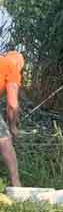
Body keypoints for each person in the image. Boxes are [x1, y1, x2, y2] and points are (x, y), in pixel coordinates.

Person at [0, 50, 23, 188]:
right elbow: (13, 105)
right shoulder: (12, 67)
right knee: (4, 141)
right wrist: (13, 127)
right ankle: (16, 184)